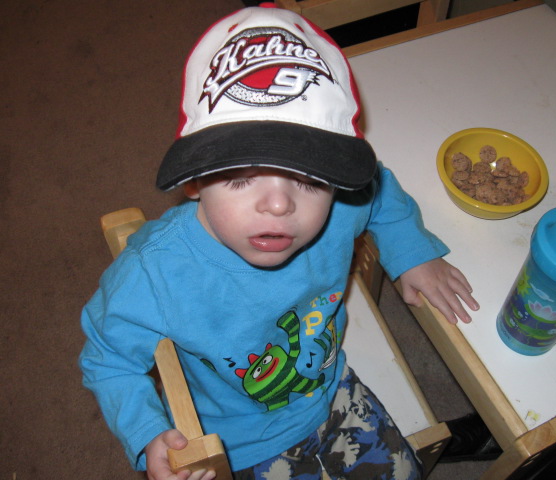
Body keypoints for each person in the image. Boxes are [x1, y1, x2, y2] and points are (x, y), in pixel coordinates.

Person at [79, 4, 479, 480]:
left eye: (310, 180)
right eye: (241, 177)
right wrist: (146, 431)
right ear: (193, 181)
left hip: (331, 387)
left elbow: (379, 189)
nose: (278, 204)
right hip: (237, 440)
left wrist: (411, 251)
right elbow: (107, 360)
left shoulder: (344, 204)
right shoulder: (156, 272)